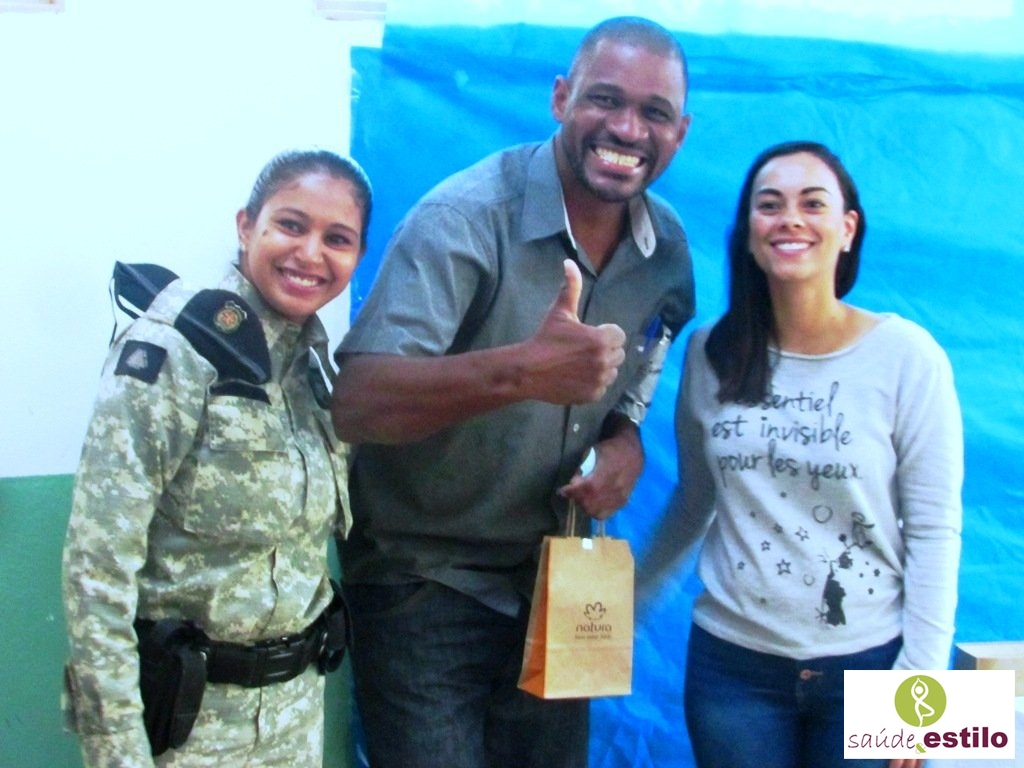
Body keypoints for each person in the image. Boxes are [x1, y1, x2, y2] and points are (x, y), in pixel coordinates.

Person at [329, 16, 695, 768]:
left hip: (558, 585)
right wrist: (522, 370)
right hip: (424, 583)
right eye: (605, 99)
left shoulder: (668, 254)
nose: (627, 129)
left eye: (654, 112)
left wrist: (625, 439)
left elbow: (644, 367)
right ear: (560, 98)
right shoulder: (465, 218)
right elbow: (359, 401)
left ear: (680, 133)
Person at [645, 140, 963, 768]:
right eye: (770, 205)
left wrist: (924, 683)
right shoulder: (712, 353)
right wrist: (621, 606)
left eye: (813, 204)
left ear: (848, 229)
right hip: (732, 673)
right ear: (749, 234)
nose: (790, 218)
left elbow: (935, 530)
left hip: (874, 667)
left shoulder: (908, 356)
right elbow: (695, 501)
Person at [61, 149, 372, 767]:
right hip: (186, 730)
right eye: (291, 225)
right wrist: (117, 751)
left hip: (293, 719)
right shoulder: (173, 349)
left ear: (357, 256)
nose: (311, 253)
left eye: (337, 239)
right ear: (246, 226)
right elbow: (97, 570)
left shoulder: (316, 373)